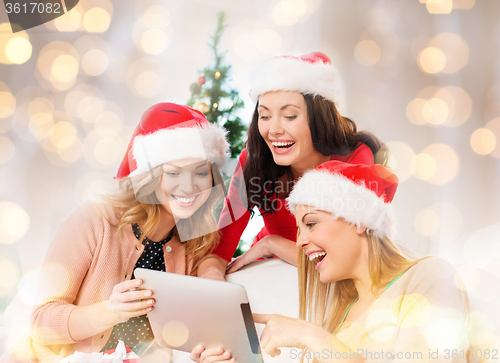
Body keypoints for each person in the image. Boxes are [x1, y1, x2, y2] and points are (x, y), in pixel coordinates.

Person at [20, 103, 229, 362]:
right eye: (173, 172)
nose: (189, 186)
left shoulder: (195, 244)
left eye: (200, 172)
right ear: (150, 176)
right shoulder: (96, 219)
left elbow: (185, 339)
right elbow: (40, 321)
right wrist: (109, 311)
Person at [251, 160, 471, 362]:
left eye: (311, 224)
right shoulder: (340, 315)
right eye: (299, 231)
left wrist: (311, 335)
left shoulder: (430, 276)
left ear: (358, 220)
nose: (300, 242)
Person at [197, 51, 388, 280]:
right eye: (264, 116)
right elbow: (218, 251)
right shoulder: (254, 160)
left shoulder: (356, 157)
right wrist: (216, 289)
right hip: (272, 273)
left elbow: (348, 260)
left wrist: (272, 244)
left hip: (330, 281)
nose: (273, 130)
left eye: (289, 116)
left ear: (319, 118)